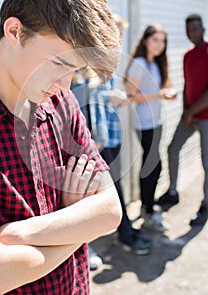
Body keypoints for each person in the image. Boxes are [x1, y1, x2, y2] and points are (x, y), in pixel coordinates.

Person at [0, 0, 123, 294]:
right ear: (14, 31)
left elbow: (110, 211)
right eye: (58, 63)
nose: (64, 83)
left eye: (75, 70)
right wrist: (76, 222)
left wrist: (18, 235)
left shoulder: (61, 102)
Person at [72, 15, 151, 255]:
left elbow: (101, 97)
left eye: (121, 34)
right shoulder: (85, 62)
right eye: (116, 32)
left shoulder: (108, 62)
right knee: (92, 194)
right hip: (94, 141)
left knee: (114, 188)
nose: (119, 38)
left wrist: (117, 97)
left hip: (109, 136)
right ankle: (98, 242)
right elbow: (82, 99)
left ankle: (123, 229)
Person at [157, 14, 208, 226]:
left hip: (205, 116)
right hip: (190, 114)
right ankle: (172, 191)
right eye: (188, 30)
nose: (191, 34)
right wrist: (186, 111)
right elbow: (188, 85)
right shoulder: (188, 55)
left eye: (195, 30)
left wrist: (191, 112)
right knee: (172, 148)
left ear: (203, 29)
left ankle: (205, 205)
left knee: (207, 163)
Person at [125, 24, 177, 232]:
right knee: (152, 165)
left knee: (154, 165)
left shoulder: (155, 63)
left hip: (157, 122)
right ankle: (148, 210)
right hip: (144, 123)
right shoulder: (138, 63)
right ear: (146, 40)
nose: (159, 44)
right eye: (155, 39)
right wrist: (159, 95)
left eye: (163, 41)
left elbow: (163, 87)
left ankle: (149, 206)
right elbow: (130, 96)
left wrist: (168, 92)